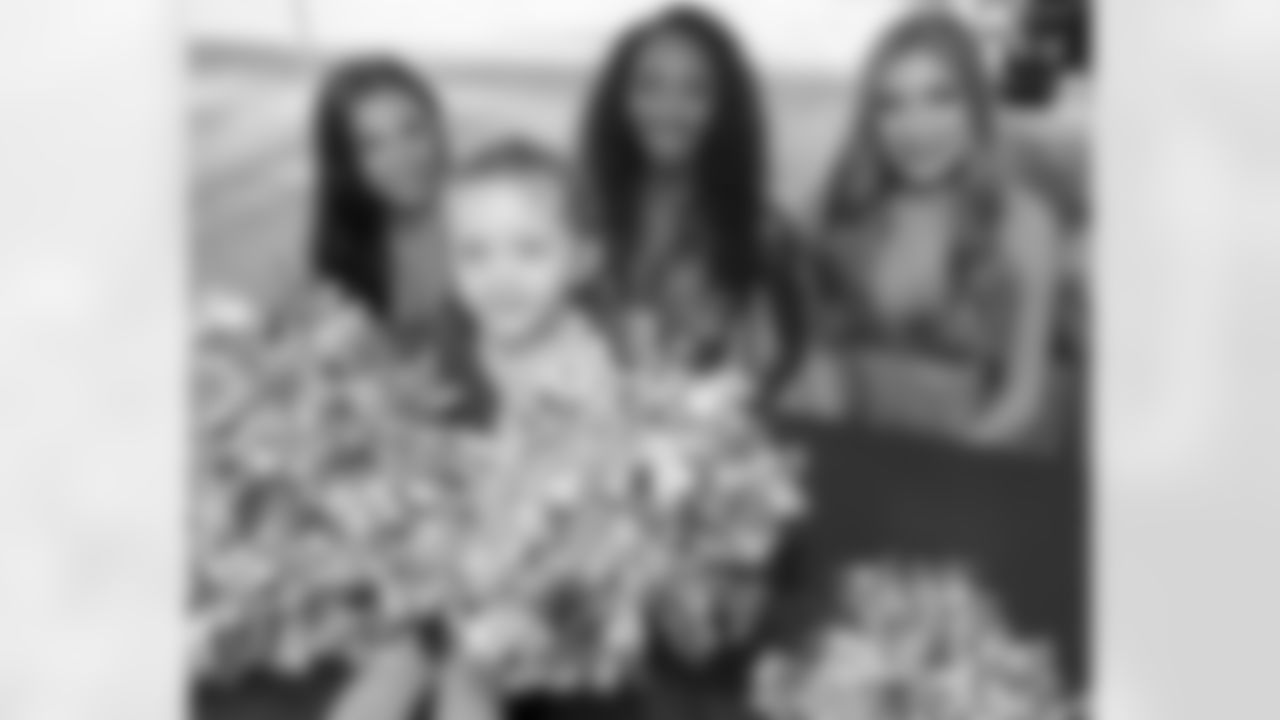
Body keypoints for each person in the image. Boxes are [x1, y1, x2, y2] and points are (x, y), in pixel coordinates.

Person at [816, 7, 1067, 452]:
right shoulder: (847, 210)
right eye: (892, 105)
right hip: (857, 456)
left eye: (941, 97)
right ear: (871, 120)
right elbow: (821, 362)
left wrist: (945, 468)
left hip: (972, 461)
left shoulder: (1024, 221)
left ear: (976, 104)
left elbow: (1023, 396)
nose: (916, 128)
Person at [580, 4, 808, 408]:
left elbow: (783, 369)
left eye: (695, 90)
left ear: (725, 107)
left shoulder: (764, 234)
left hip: (710, 435)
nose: (669, 108)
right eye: (649, 86)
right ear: (620, 98)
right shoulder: (579, 218)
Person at [311, 55, 451, 334]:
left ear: (437, 128)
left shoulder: (494, 213)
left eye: (412, 130)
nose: (401, 158)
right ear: (346, 163)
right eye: (372, 145)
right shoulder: (349, 248)